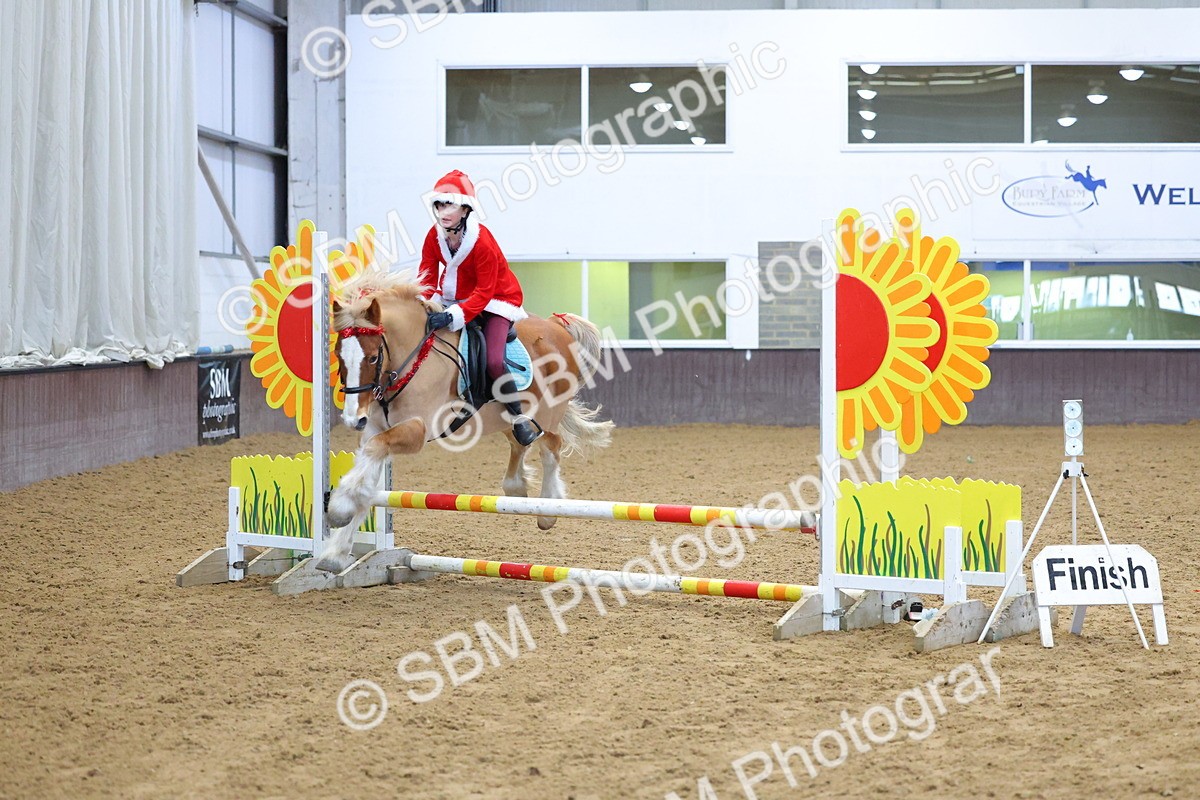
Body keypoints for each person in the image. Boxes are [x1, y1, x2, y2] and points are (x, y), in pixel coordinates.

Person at [419, 170, 540, 447]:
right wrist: (424, 305)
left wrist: (453, 316)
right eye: (438, 205)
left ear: (465, 209)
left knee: (494, 361)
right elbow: (426, 276)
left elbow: (484, 292)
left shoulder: (482, 241)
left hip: (497, 299)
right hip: (456, 298)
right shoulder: (433, 236)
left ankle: (519, 418)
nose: (442, 211)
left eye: (448, 205)